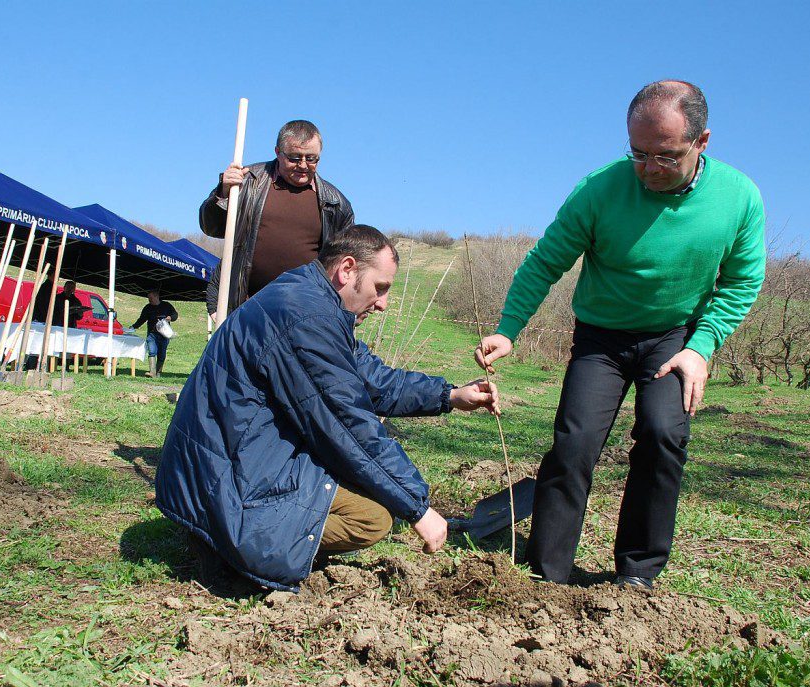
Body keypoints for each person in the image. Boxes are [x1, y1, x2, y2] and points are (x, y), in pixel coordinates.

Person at [475, 81, 766, 589]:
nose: (650, 168)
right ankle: (548, 572)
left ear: (702, 142)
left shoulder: (739, 198)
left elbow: (742, 282)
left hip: (676, 336)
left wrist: (702, 347)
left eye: (666, 156)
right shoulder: (600, 189)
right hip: (601, 338)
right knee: (575, 442)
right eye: (638, 153)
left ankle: (637, 575)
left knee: (662, 434)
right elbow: (546, 261)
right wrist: (508, 329)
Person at [156, 225, 500, 592]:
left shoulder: (311, 300)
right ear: (347, 269)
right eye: (379, 288)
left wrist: (449, 396)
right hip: (227, 477)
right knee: (373, 518)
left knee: (363, 488)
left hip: (234, 456)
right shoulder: (307, 319)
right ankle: (235, 547)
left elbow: (374, 381)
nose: (382, 303)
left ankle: (249, 537)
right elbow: (348, 425)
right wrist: (417, 508)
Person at [199, 119, 355, 315]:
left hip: (304, 313)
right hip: (246, 308)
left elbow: (344, 266)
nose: (303, 165)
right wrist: (223, 192)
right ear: (277, 152)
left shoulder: (336, 204)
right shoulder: (247, 182)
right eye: (295, 158)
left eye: (311, 158)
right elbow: (211, 227)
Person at [131, 289, 178, 377]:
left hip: (164, 335)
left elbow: (175, 315)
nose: (149, 300)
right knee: (152, 351)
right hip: (152, 334)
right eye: (148, 298)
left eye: (151, 298)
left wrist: (170, 318)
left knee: (162, 353)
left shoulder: (166, 305)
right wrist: (134, 326)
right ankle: (152, 372)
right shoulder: (147, 308)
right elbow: (142, 319)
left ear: (157, 297)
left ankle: (158, 372)